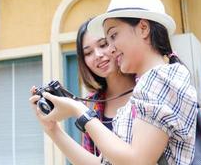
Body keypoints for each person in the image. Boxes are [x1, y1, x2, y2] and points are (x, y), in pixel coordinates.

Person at [31, 0, 198, 165]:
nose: (109, 50)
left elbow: (137, 161)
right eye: (88, 52)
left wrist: (79, 111)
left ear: (143, 28)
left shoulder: (161, 78)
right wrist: (52, 129)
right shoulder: (151, 83)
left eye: (112, 36)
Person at [29, 19, 136, 159]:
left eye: (103, 44)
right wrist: (52, 129)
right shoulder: (92, 104)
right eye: (88, 53)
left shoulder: (146, 89)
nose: (98, 55)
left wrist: (77, 109)